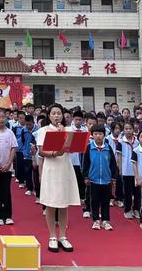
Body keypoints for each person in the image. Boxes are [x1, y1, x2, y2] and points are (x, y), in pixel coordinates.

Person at [37, 103, 80, 253]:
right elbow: (41, 151)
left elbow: (75, 147)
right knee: (51, 202)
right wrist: (54, 153)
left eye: (59, 113)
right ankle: (52, 236)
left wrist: (65, 136)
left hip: (65, 168)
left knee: (64, 203)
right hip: (51, 167)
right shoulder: (43, 130)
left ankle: (63, 236)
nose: (57, 116)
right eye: (53, 113)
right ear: (49, 116)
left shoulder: (69, 130)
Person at [82, 124, 117, 231]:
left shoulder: (108, 148)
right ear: (92, 135)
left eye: (100, 134)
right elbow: (86, 163)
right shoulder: (89, 148)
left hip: (106, 180)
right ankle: (96, 220)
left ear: (104, 135)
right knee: (95, 200)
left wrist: (114, 177)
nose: (98, 136)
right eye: (96, 134)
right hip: (93, 179)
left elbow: (113, 163)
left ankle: (106, 220)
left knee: (106, 201)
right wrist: (86, 176)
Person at [117, 121, 140, 219]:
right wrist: (120, 169)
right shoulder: (120, 142)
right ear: (123, 130)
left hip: (136, 171)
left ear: (133, 129)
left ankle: (136, 209)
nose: (128, 131)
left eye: (130, 129)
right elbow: (119, 157)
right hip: (126, 170)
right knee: (127, 192)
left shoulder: (137, 141)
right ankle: (127, 210)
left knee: (137, 192)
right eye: (126, 129)